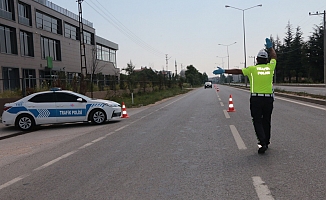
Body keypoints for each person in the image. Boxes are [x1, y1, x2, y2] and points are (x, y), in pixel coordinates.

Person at [213, 38, 277, 154]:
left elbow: (238, 71)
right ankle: (266, 141)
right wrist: (270, 48)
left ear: (257, 59)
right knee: (266, 120)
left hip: (256, 99)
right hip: (268, 99)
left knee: (257, 120)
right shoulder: (270, 67)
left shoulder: (252, 69)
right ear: (266, 60)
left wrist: (224, 71)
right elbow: (274, 57)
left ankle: (262, 142)